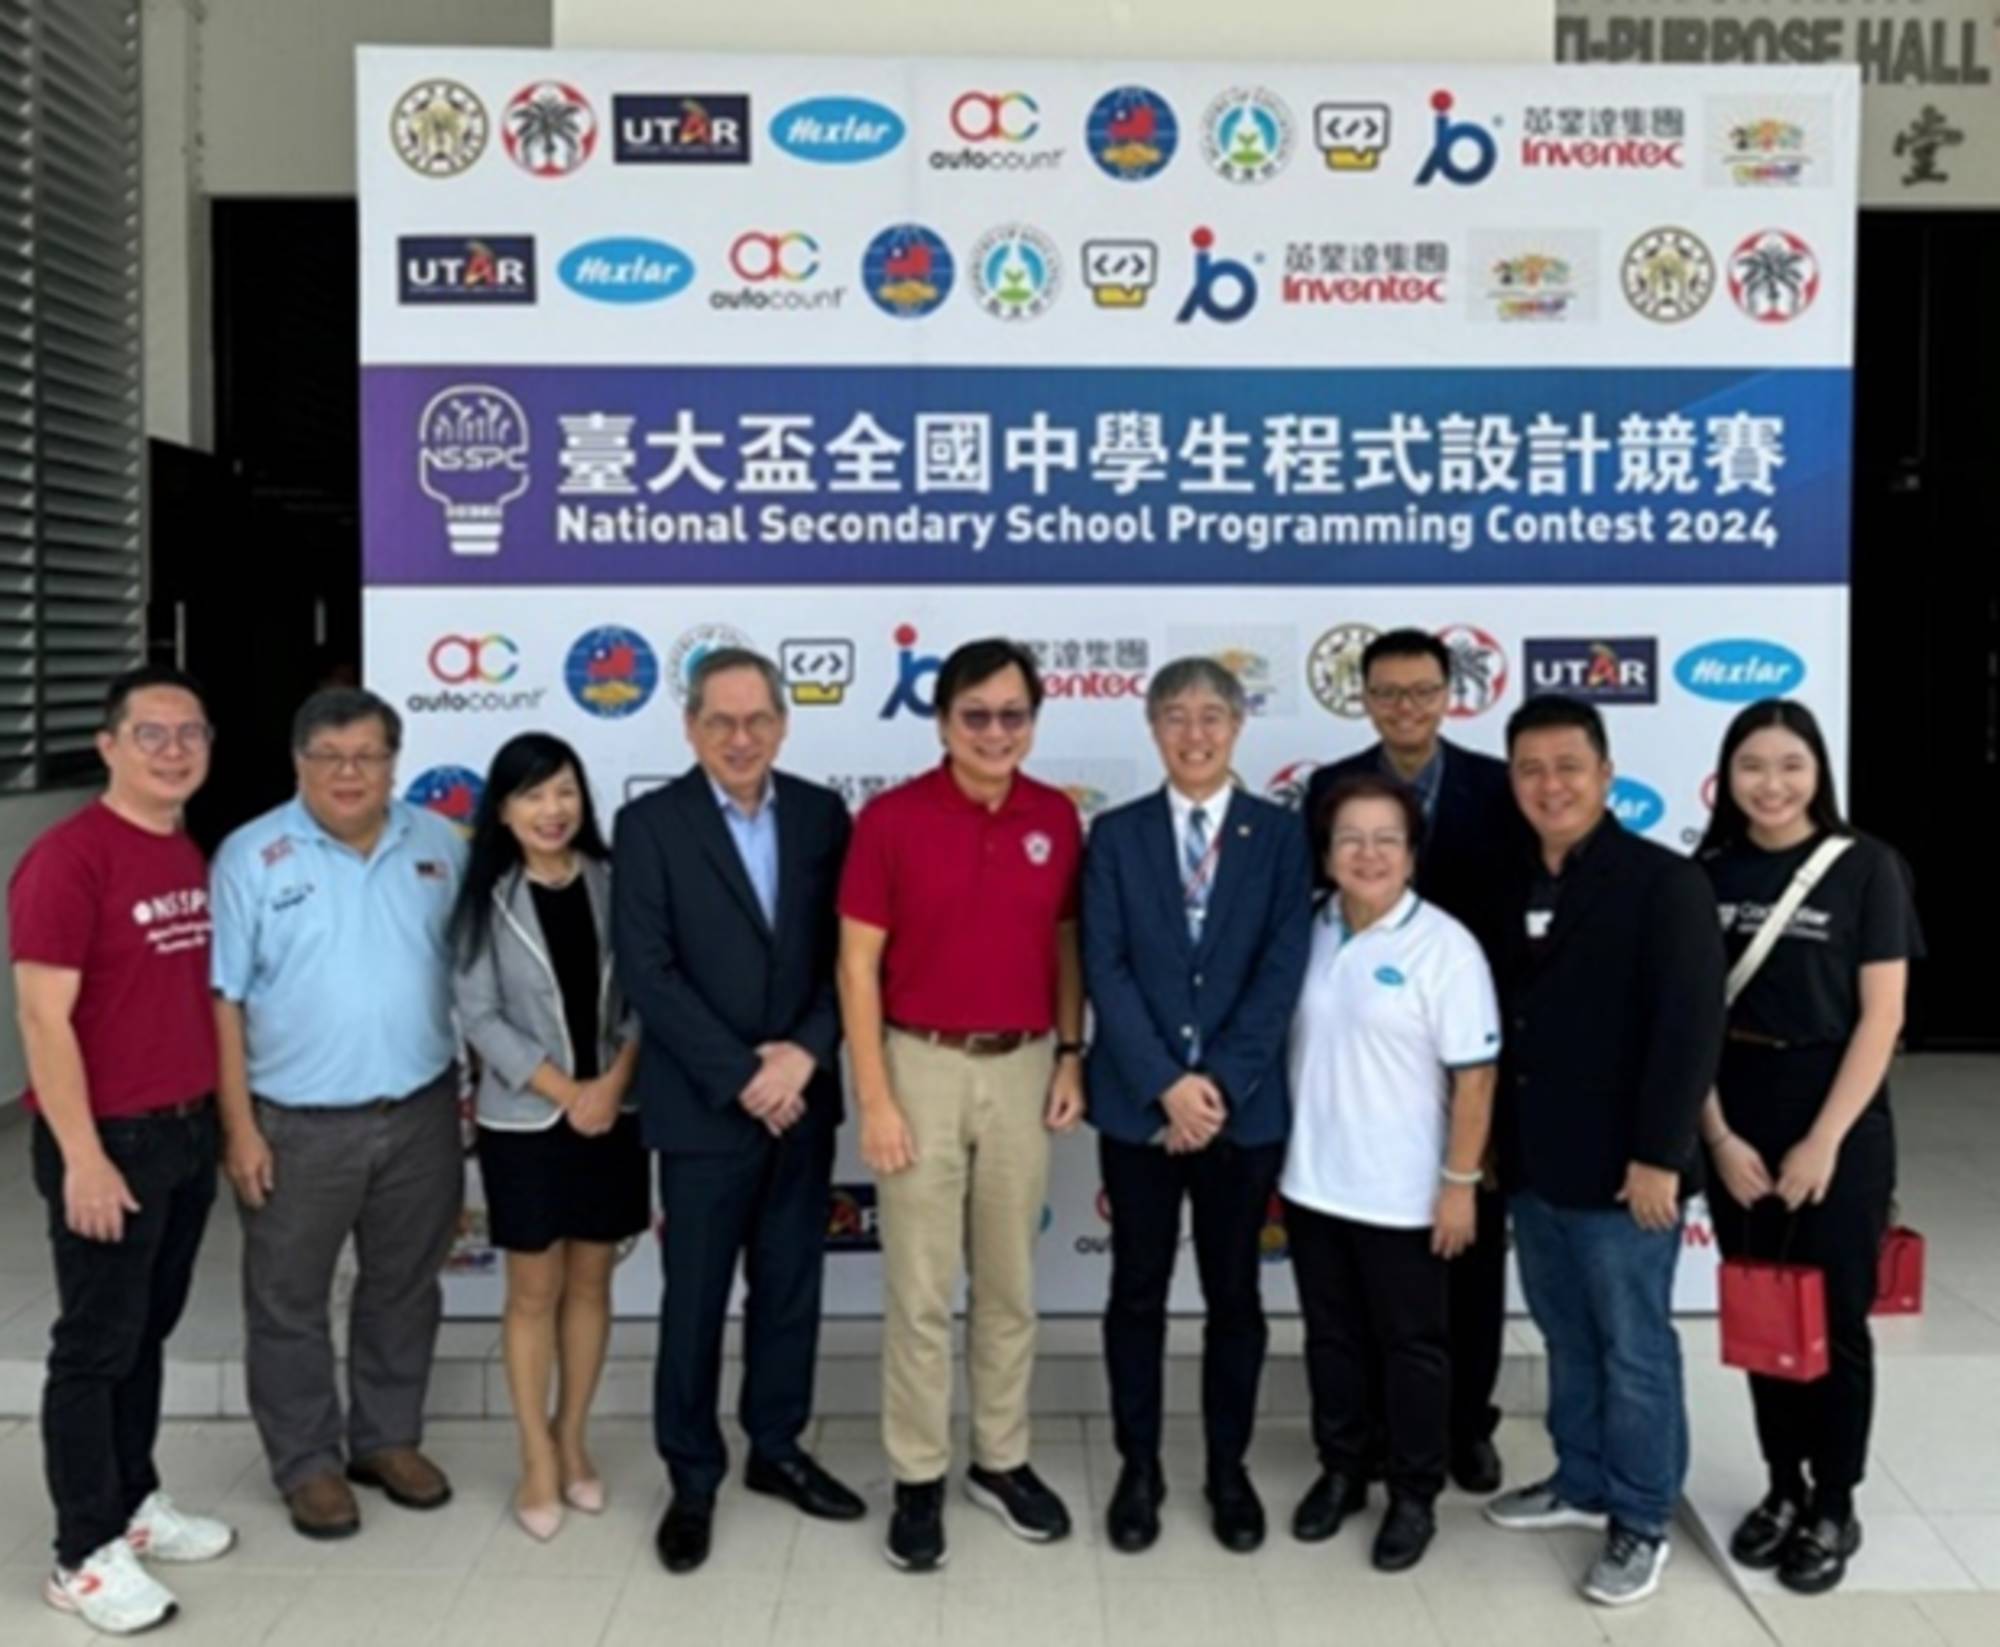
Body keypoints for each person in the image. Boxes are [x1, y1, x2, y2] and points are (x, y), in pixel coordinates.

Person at [838, 638, 1086, 1574]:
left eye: (1013, 714)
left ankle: (1000, 1458)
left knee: (1010, 1287)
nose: (995, 731)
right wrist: (877, 1095)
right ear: (942, 721)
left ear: (1032, 721)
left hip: (1023, 1066)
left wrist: (1070, 1054)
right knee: (918, 1292)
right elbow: (857, 964)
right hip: (919, 1064)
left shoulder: (1056, 816)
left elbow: (1066, 946)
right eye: (976, 714)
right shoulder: (893, 818)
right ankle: (916, 1476)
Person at [614, 649, 862, 1575]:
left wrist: (804, 1051)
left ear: (784, 722)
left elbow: (851, 953)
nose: (741, 737)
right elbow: (650, 970)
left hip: (802, 1097)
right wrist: (741, 1074)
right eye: (720, 721)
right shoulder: (649, 824)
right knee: (695, 1302)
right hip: (705, 1108)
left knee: (792, 1286)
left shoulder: (820, 814)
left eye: (758, 718)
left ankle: (777, 1448)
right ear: (689, 727)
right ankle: (691, 1473)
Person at [1482, 695, 1725, 1608]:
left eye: (1568, 766)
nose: (1550, 784)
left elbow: (1689, 1030)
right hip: (1535, 1162)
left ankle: (1641, 1516)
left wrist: (1660, 1154)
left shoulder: (1664, 882)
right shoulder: (1507, 879)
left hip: (1631, 1174)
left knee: (1635, 1347)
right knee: (1566, 1333)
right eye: (1531, 769)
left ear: (1606, 772)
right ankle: (1580, 1479)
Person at [209, 688, 467, 1540]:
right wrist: (239, 1126)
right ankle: (308, 1461)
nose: (350, 772)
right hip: (296, 1122)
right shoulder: (252, 855)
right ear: (299, 763)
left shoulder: (440, 843)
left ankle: (387, 1439)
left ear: (396, 761)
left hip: (422, 1110)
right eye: (330, 756)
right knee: (288, 1299)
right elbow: (225, 1001)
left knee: (404, 1286)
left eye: (369, 755)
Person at [10, 668, 236, 1635]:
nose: (173, 749)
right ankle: (80, 1552)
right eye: (151, 733)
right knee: (94, 1348)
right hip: (110, 1143)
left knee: (147, 1331)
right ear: (107, 746)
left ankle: (134, 1501)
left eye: (190, 732)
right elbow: (41, 1018)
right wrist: (83, 1157)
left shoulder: (185, 851)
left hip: (185, 1131)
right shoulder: (69, 859)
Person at [1082, 657, 1310, 1555]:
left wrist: (1216, 1084)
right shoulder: (1117, 833)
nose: (1194, 732)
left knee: (1235, 1297)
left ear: (1239, 725)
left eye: (1212, 714)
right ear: (1151, 727)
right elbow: (1105, 964)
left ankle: (1228, 1467)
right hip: (1141, 1109)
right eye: (1175, 715)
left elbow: (1281, 967)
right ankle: (1140, 1466)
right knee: (1135, 1292)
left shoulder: (1279, 835)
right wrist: (1165, 1084)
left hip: (1240, 1113)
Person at [1696, 699, 1920, 1595]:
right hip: (1734, 1114)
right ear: (1727, 774)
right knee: (1761, 1315)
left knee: (1835, 1318)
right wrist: (1717, 1134)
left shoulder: (1867, 867)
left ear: (1818, 769)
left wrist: (1824, 1140)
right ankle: (1780, 1486)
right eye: (1753, 765)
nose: (1772, 783)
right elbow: (1687, 1019)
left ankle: (1835, 1497)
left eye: (1791, 764)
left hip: (1839, 1113)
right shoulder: (1703, 872)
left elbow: (1885, 1016)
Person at [1303, 627, 1528, 1494]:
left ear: (1449, 694)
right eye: (1388, 692)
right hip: (1366, 1057)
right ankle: (1359, 1449)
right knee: (1362, 1300)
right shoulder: (1333, 789)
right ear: (1363, 698)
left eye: (1422, 690)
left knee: (1466, 1265)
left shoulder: (1493, 786)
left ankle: (1464, 1424)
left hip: (1471, 1044)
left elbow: (1508, 924)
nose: (1406, 706)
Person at [1284, 774, 1500, 1573]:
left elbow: (1476, 1077)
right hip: (1312, 1182)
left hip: (1407, 1193)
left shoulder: (1444, 945)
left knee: (1413, 1347)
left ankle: (1414, 1493)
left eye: (1386, 839)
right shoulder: (1305, 927)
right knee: (1333, 1338)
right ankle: (1342, 1468)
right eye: (1351, 838)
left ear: (1412, 853)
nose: (1368, 854)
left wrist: (1458, 1182)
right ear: (1327, 851)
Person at [450, 733, 644, 1543]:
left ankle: (573, 1438)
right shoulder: (482, 900)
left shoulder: (614, 881)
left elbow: (646, 992)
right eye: (532, 795)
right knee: (534, 1291)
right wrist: (568, 1092)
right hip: (526, 1121)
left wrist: (613, 1084)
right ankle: (534, 1453)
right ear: (503, 809)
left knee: (594, 1285)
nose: (552, 809)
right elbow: (479, 1015)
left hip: (614, 1113)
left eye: (563, 790)